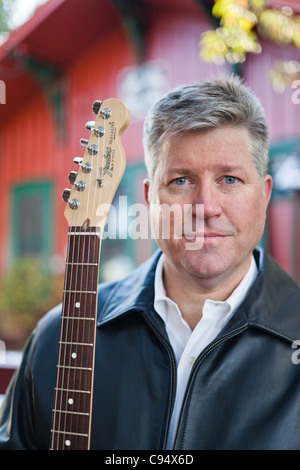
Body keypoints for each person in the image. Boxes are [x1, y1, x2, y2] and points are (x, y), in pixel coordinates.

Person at [1, 75, 300, 450]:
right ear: (149, 197)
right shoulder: (56, 339)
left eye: (229, 179)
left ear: (265, 194)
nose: (205, 208)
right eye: (181, 181)